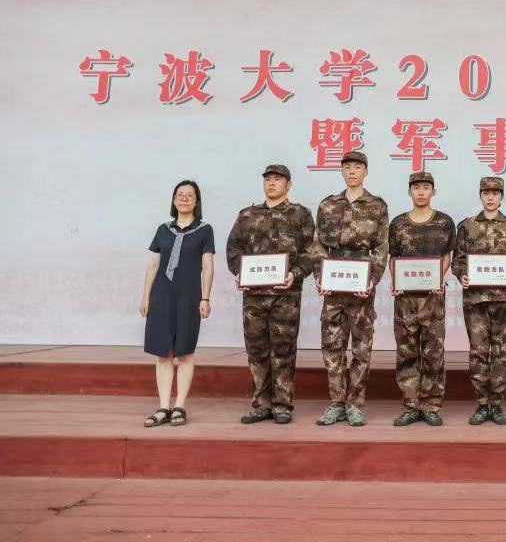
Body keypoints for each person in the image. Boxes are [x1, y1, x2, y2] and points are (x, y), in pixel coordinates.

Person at [225, 164, 318, 425]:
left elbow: (311, 252)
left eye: (277, 179)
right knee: (257, 351)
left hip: (285, 296)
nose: (271, 183)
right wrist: (240, 272)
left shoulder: (300, 215)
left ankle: (282, 404)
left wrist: (295, 274)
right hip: (254, 297)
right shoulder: (247, 215)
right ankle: (260, 404)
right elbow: (234, 249)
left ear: (288, 184)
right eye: (268, 179)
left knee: (283, 350)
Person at [313, 149, 389, 427]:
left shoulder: (377, 206)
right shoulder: (327, 205)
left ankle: (355, 404)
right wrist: (319, 276)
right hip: (333, 288)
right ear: (342, 171)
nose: (352, 171)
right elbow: (318, 244)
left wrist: (372, 279)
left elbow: (382, 246)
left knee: (361, 348)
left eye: (357, 167)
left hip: (361, 286)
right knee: (332, 347)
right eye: (347, 167)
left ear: (365, 171)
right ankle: (336, 403)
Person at [451, 176, 506, 426]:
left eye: (495, 193)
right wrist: (462, 274)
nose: (490, 197)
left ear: (502, 197)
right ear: (480, 196)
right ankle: (482, 403)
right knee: (479, 352)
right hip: (476, 300)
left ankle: (497, 403)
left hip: (504, 299)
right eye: (486, 193)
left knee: (502, 353)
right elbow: (458, 259)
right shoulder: (467, 226)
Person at [140, 180, 214, 427]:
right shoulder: (163, 230)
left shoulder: (204, 230)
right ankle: (163, 406)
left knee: (185, 352)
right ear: (173, 200)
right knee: (163, 353)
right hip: (162, 296)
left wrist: (205, 297)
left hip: (189, 296)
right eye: (179, 194)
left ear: (196, 201)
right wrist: (146, 297)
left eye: (189, 195)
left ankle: (179, 405)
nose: (184, 198)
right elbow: (153, 265)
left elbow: (207, 267)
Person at [388, 171, 456, 427]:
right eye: (416, 187)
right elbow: (393, 257)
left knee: (433, 352)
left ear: (433, 191)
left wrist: (438, 277)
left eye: (426, 187)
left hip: (433, 298)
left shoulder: (444, 222)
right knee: (406, 351)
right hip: (405, 299)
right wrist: (395, 281)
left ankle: (431, 406)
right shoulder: (398, 224)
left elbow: (448, 254)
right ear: (410, 192)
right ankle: (410, 405)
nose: (421, 192)